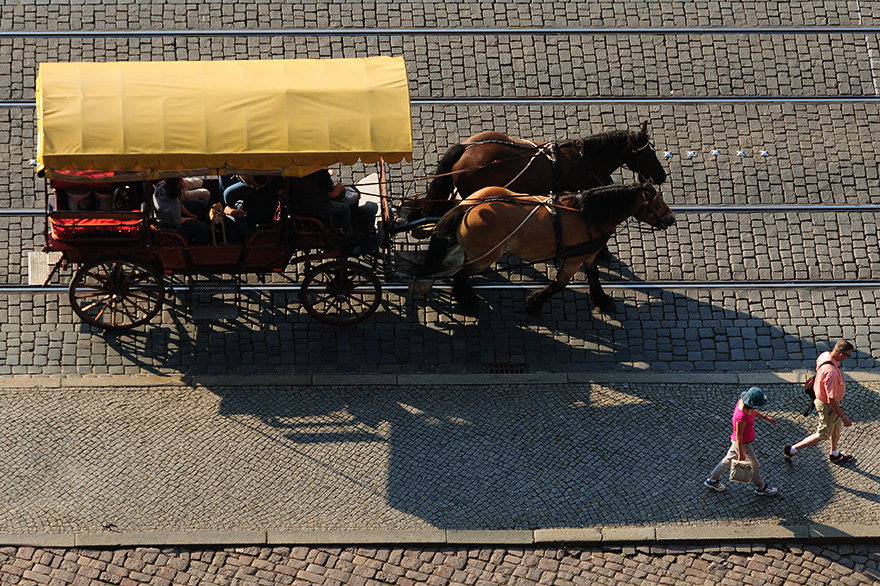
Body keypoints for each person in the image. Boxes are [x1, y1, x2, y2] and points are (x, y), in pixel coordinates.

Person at [784, 340, 855, 464]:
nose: (847, 358)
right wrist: (843, 416)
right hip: (828, 406)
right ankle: (792, 450)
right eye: (848, 355)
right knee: (822, 434)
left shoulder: (825, 355)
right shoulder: (831, 373)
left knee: (835, 427)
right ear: (841, 355)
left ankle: (835, 453)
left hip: (824, 398)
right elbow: (831, 400)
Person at [705, 387, 778, 496]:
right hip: (744, 444)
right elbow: (739, 436)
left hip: (741, 442)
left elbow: (752, 412)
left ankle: (712, 480)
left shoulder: (743, 403)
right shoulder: (741, 417)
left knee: (728, 460)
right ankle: (760, 487)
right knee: (754, 465)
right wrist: (741, 454)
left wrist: (765, 417)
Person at [288, 169, 354, 240]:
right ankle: (347, 236)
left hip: (297, 204)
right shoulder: (321, 173)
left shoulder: (293, 171)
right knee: (345, 209)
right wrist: (339, 188)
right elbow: (333, 194)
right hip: (314, 206)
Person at [152, 178, 209, 244]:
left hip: (170, 213)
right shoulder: (173, 203)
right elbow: (177, 221)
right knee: (202, 227)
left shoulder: (162, 186)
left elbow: (179, 203)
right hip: (169, 225)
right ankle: (199, 247)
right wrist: (191, 218)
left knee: (200, 205)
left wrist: (189, 214)